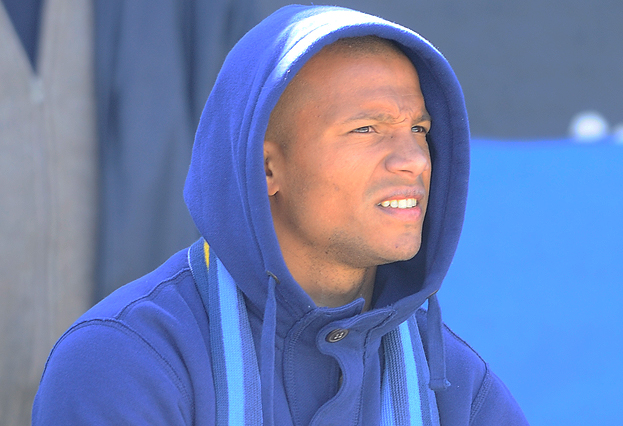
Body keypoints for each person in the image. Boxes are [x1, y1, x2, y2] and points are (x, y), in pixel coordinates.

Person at [32, 5, 529, 425]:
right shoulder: (125, 361)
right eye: (367, 129)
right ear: (266, 167)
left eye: (419, 130)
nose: (414, 160)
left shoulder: (455, 386)